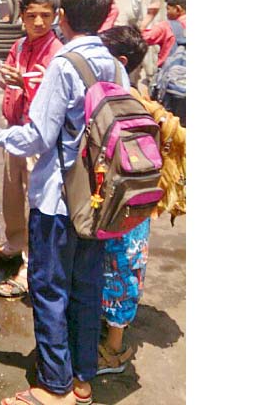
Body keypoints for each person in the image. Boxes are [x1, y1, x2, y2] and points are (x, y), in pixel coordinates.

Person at [0, 0, 124, 405]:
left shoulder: (65, 65)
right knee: (87, 289)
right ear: (104, 17)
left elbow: (34, 138)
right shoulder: (113, 64)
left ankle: (54, 386)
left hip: (58, 199)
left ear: (62, 18)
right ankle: (82, 379)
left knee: (49, 289)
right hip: (99, 200)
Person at [0, 0, 63, 300]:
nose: (39, 22)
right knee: (12, 194)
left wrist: (24, 82)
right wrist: (2, 75)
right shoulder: (19, 45)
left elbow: (54, 99)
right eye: (32, 16)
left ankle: (29, 268)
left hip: (37, 138)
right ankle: (14, 244)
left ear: (56, 16)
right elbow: (11, 78)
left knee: (35, 203)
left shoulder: (57, 53)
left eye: (45, 15)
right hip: (14, 131)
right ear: (22, 17)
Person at [95, 25, 150, 375]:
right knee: (114, 270)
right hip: (125, 205)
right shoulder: (129, 97)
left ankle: (113, 352)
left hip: (124, 207)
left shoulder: (129, 105)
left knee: (120, 271)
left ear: (119, 61)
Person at [138, 0, 186, 68]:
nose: (167, 13)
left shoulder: (166, 27)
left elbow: (139, 40)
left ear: (177, 9)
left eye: (168, 9)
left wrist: (149, 16)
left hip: (170, 75)